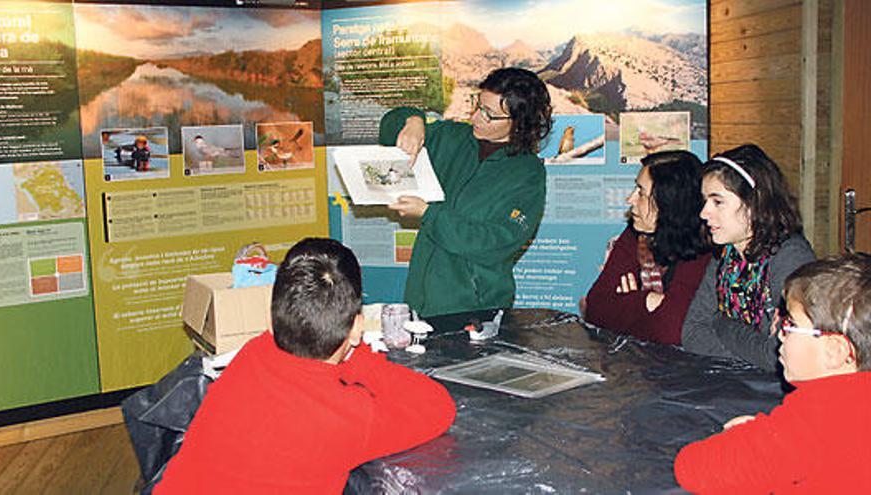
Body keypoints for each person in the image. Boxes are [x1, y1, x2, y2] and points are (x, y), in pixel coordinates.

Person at [155, 238, 456, 494]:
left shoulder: (253, 355)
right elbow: (438, 407)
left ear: (273, 320)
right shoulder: (349, 417)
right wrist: (358, 356)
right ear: (356, 328)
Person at [674, 254, 871, 493]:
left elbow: (695, 468)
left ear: (834, 352)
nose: (779, 333)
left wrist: (752, 438)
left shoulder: (812, 421)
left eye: (790, 325)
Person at [379, 67, 552, 326]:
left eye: (489, 114)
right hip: (421, 300)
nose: (476, 117)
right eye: (477, 105)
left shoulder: (527, 173)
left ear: (519, 122)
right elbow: (388, 129)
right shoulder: (453, 138)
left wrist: (429, 215)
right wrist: (413, 122)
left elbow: (495, 243)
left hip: (476, 309)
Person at [681, 144, 815, 370]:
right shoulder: (726, 253)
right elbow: (692, 333)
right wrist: (753, 352)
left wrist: (721, 323)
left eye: (718, 201)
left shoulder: (790, 258)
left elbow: (780, 357)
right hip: (736, 382)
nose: (704, 213)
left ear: (754, 202)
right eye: (705, 201)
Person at [583, 150, 711, 344]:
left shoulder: (704, 251)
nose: (630, 199)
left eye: (641, 192)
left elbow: (672, 332)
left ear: (669, 203)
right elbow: (594, 308)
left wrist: (625, 306)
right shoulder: (636, 234)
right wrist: (646, 300)